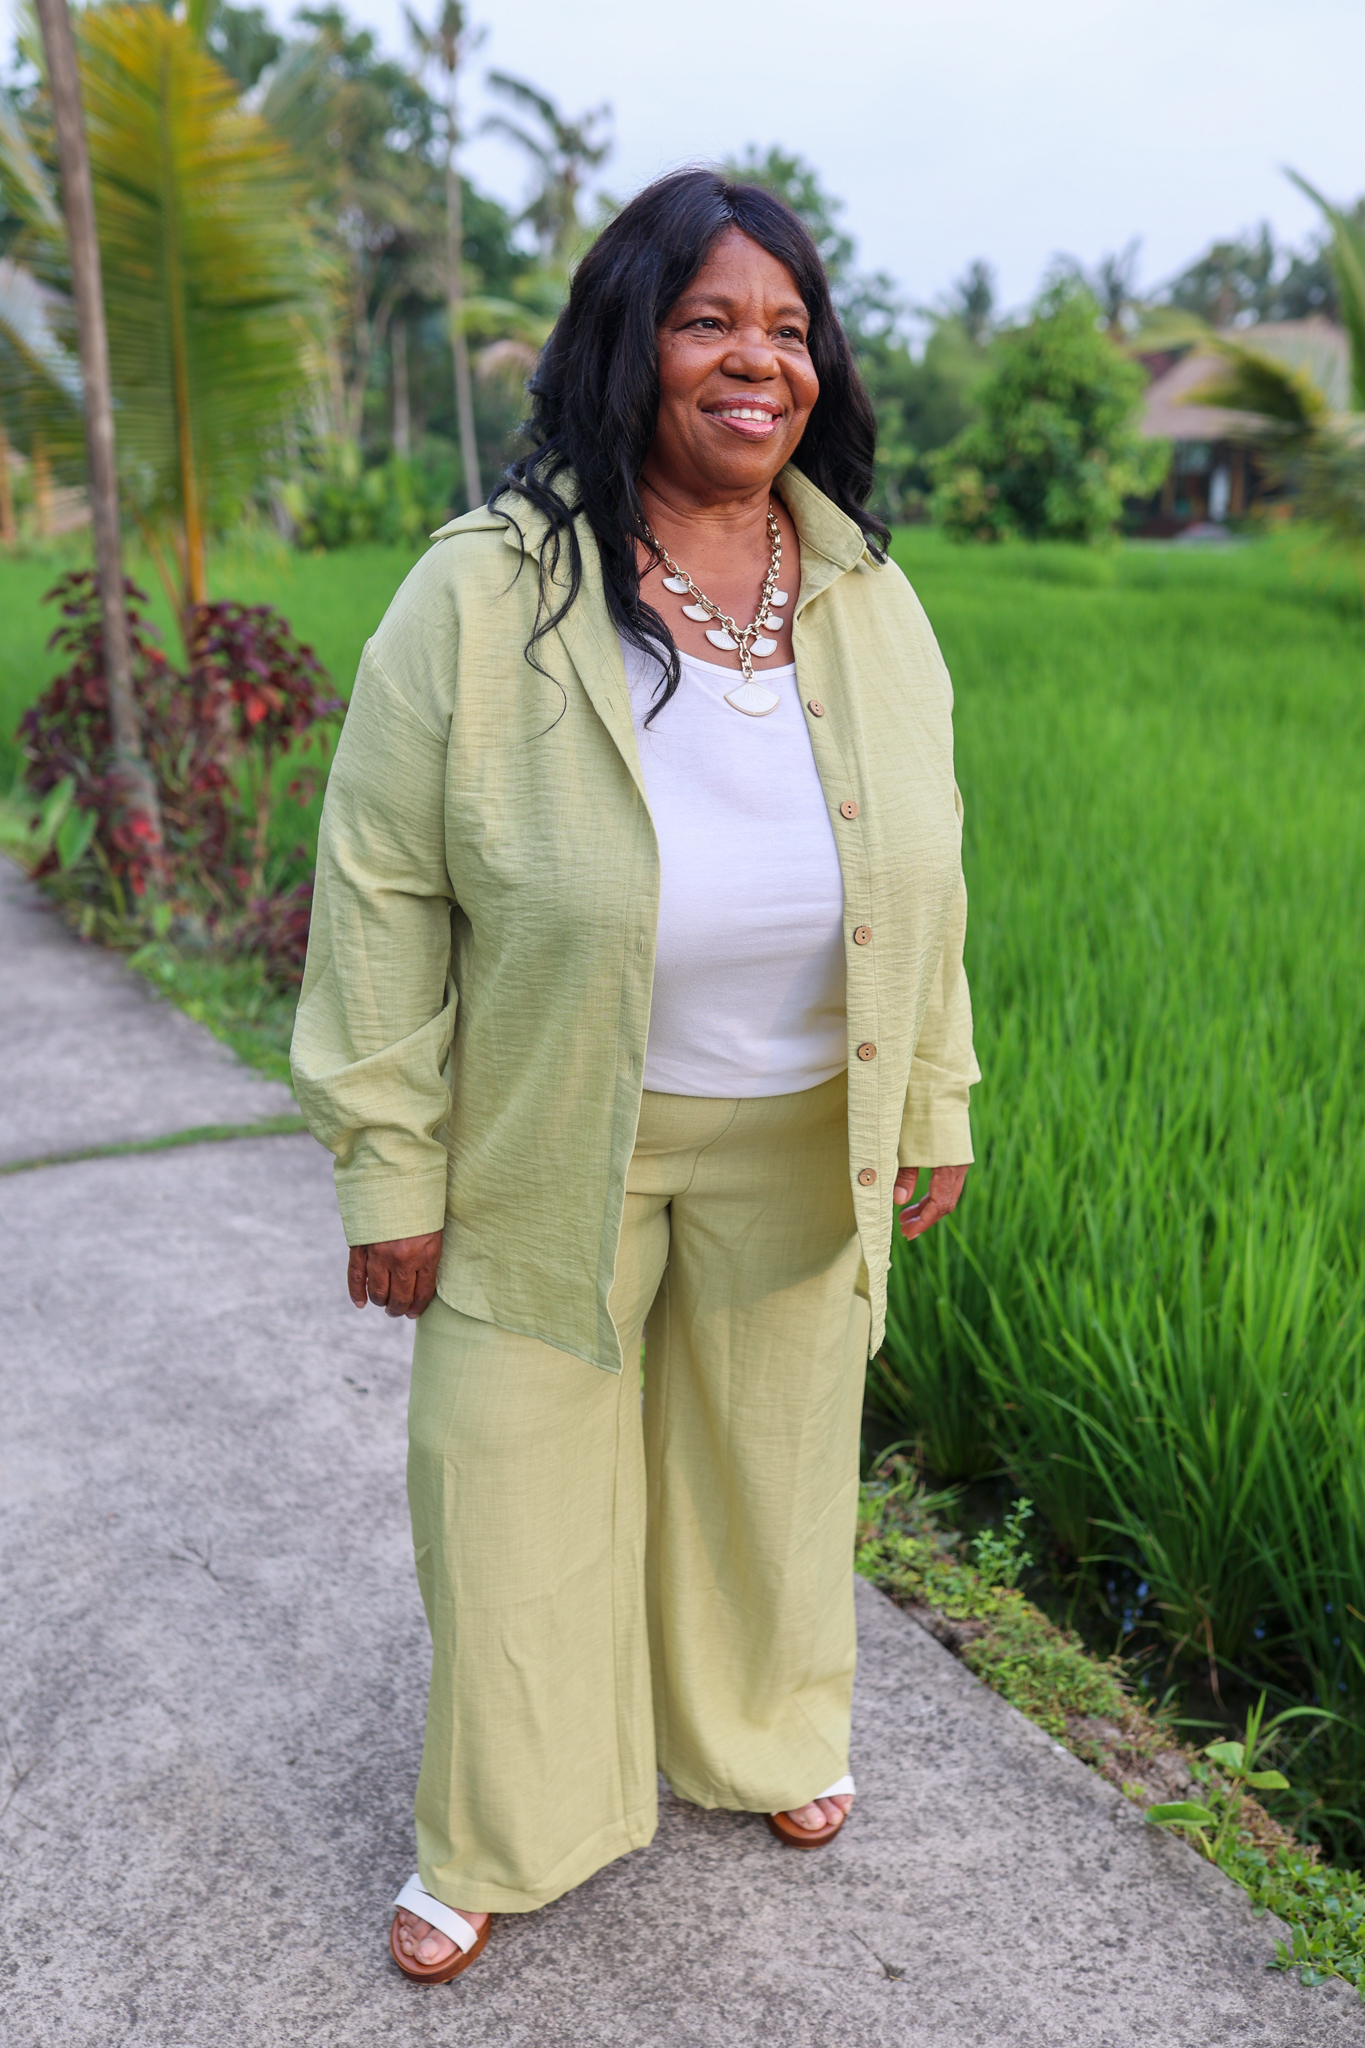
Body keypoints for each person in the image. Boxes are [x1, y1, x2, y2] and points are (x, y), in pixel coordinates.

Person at [291, 166, 979, 1985]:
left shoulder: (862, 587)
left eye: (787, 327)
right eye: (708, 322)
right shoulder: (484, 590)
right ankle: (500, 1828)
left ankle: (762, 1734)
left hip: (799, 1127)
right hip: (549, 1133)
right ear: (627, 344)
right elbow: (377, 885)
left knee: (771, 1465)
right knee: (503, 1478)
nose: (759, 361)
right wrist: (388, 1166)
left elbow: (932, 860)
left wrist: (931, 1093)